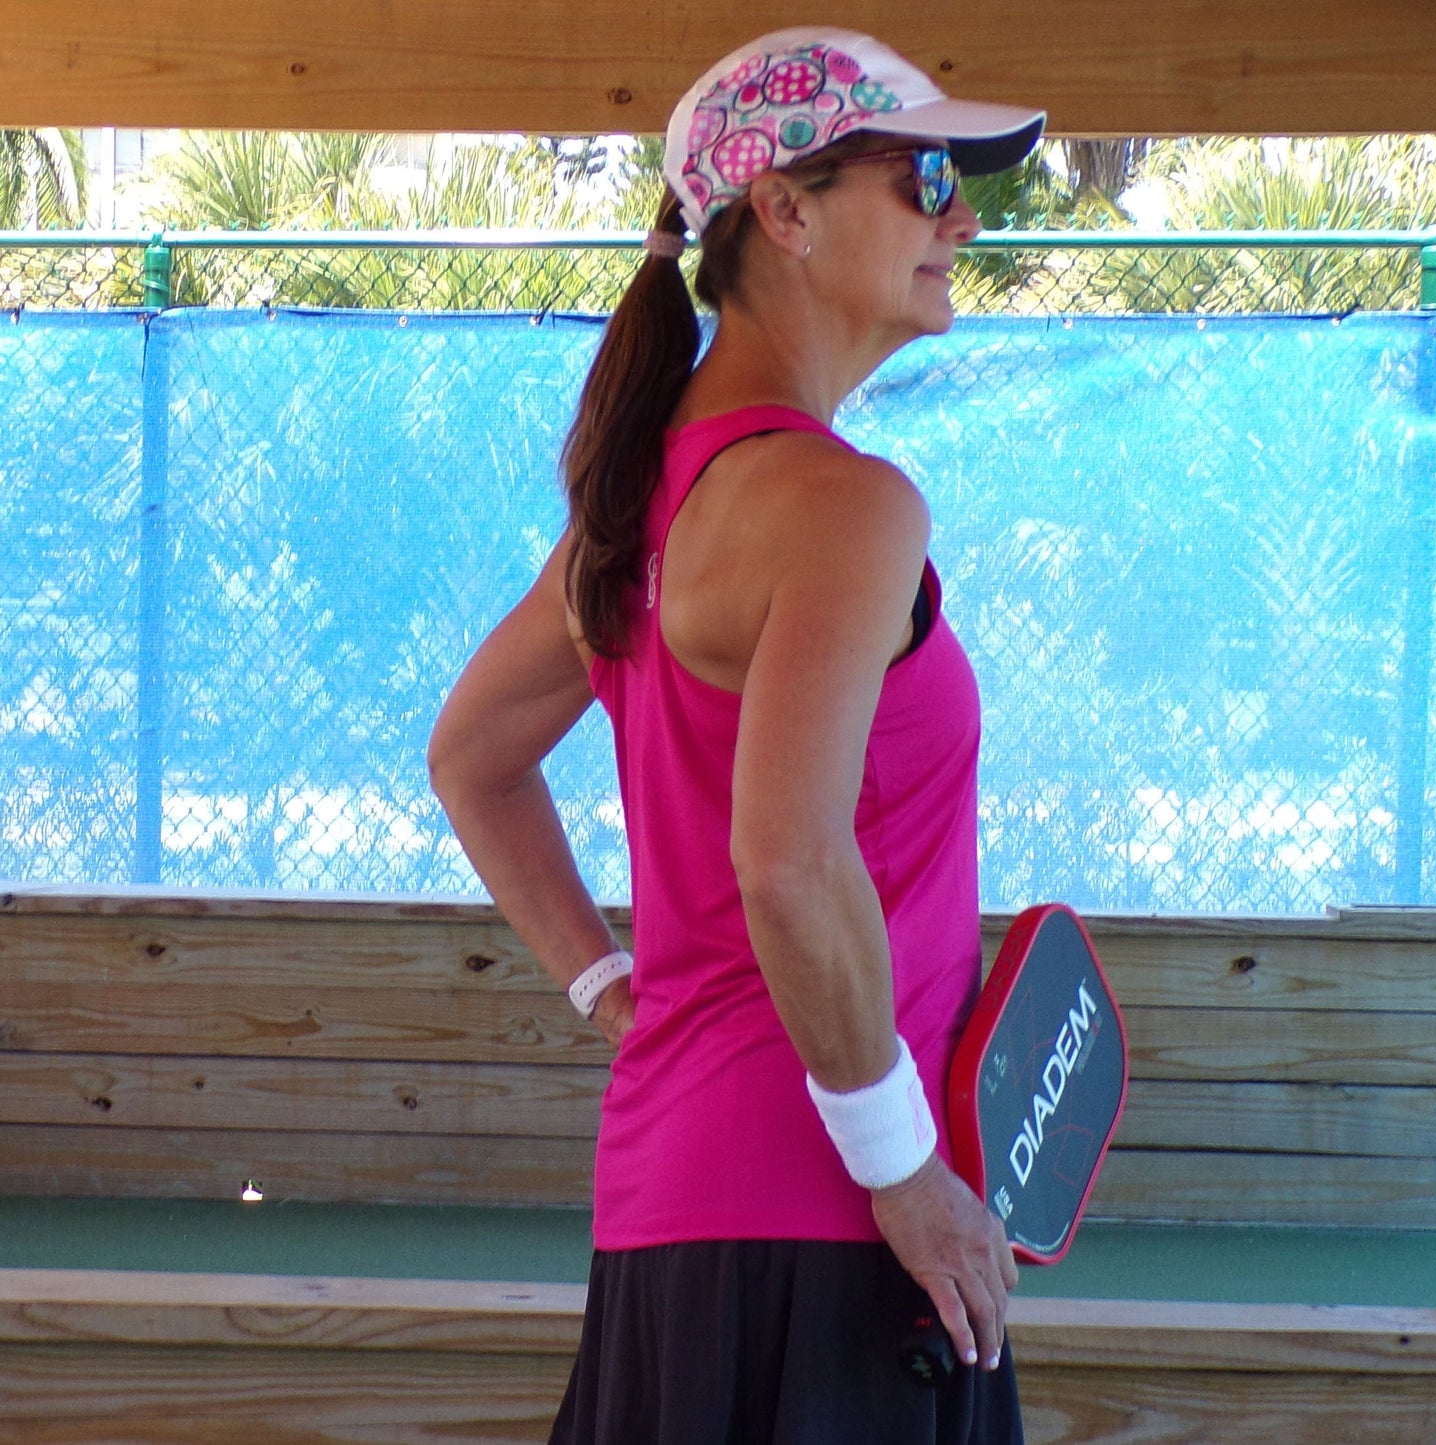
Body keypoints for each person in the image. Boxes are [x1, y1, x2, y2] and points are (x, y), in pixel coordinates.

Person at [428, 26, 1046, 1445]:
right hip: (837, 1226)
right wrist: (899, 1166)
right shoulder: (844, 505)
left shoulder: (635, 507)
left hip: (670, 1206)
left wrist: (609, 990)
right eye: (926, 176)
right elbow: (786, 863)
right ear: (783, 209)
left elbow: (471, 755)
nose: (962, 215)